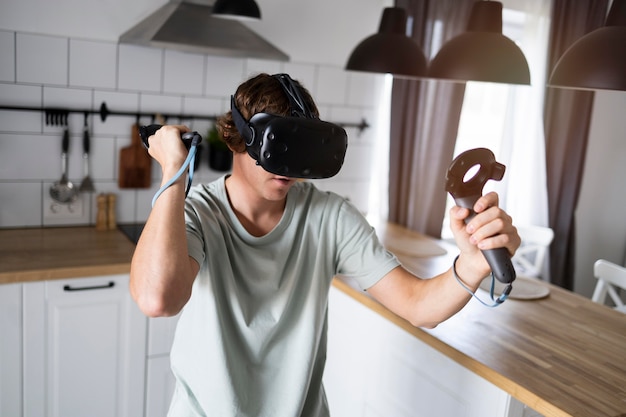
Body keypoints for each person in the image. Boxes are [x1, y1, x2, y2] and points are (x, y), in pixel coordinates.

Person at [130, 72, 520, 417]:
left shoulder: (329, 217)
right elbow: (157, 299)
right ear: (237, 138)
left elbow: (418, 306)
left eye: (298, 151)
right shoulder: (198, 214)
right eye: (275, 148)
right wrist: (175, 173)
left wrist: (471, 264)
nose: (287, 169)